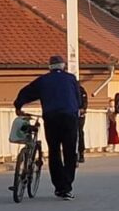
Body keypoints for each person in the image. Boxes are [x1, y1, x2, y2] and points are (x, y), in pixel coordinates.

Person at [13, 55, 85, 200]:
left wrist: (18, 105)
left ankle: (59, 186)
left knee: (54, 151)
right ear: (63, 66)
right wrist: (79, 108)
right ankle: (67, 186)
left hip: (51, 117)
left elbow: (26, 92)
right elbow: (78, 99)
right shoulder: (71, 79)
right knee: (70, 151)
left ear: (50, 67)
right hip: (69, 117)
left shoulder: (43, 80)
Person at [77, 85, 89, 163]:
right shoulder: (66, 89)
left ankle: (81, 152)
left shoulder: (81, 90)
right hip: (69, 114)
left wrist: (83, 109)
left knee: (80, 132)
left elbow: (85, 102)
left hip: (80, 115)